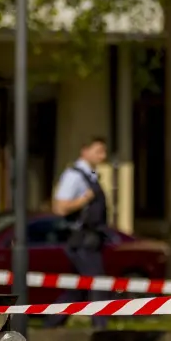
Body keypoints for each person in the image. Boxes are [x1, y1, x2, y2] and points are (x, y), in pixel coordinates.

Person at [48, 137, 110, 329]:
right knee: (97, 284)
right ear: (85, 151)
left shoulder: (90, 174)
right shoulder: (74, 175)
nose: (103, 156)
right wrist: (84, 199)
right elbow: (60, 207)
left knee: (77, 290)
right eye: (98, 151)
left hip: (91, 240)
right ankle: (101, 329)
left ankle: (50, 325)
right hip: (81, 241)